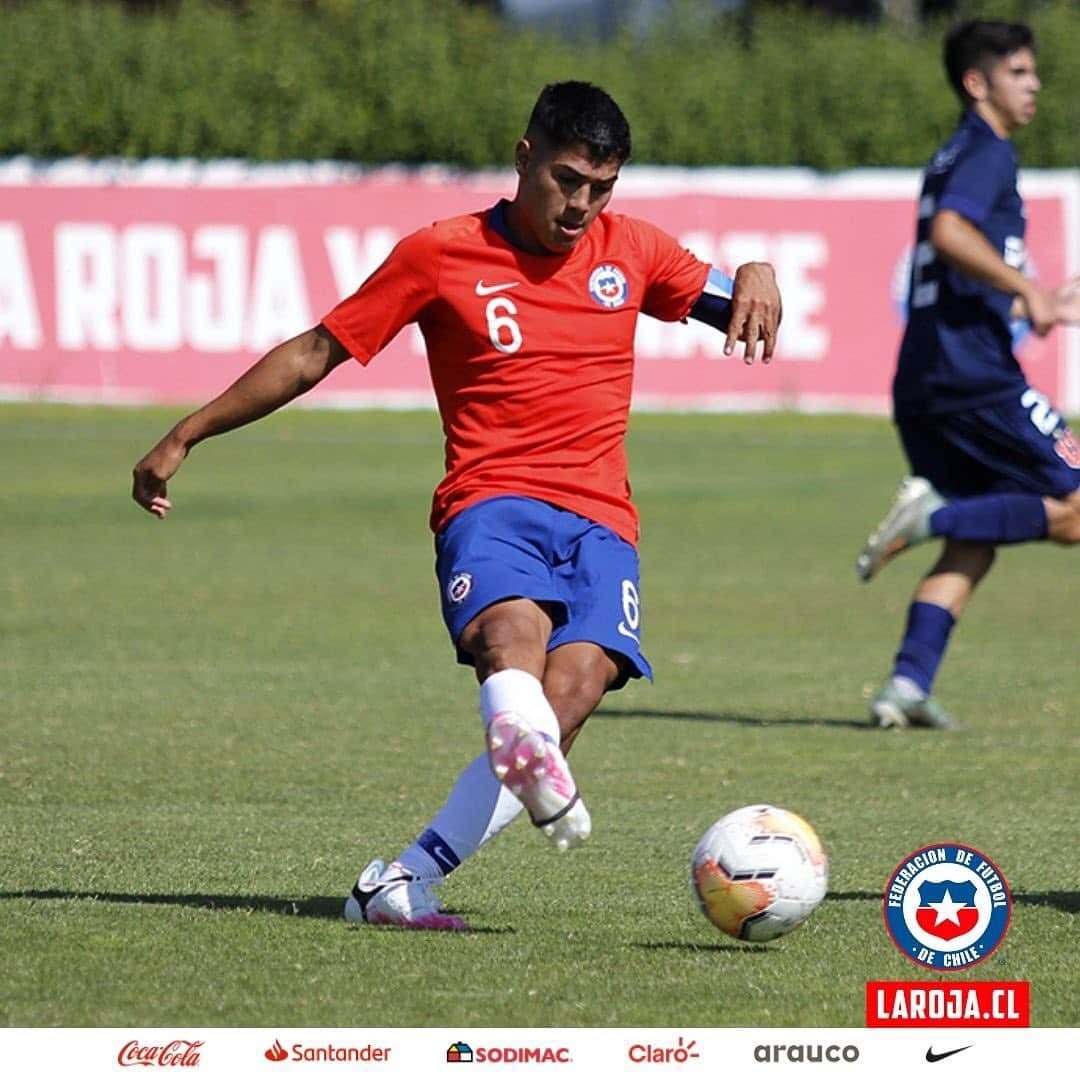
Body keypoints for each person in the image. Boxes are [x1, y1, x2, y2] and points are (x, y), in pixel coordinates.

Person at [132, 81, 782, 928]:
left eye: (601, 187)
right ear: (524, 159)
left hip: (603, 523)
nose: (581, 204)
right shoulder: (440, 254)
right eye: (566, 179)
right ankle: (520, 733)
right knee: (512, 640)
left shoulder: (638, 252)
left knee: (576, 688)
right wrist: (188, 433)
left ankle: (400, 881)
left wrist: (758, 271)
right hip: (492, 500)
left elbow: (734, 297)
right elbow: (316, 352)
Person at [856, 21, 1080, 731]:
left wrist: (1027, 298)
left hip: (927, 376)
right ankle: (931, 514)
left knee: (979, 538)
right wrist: (1027, 285)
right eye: (1018, 71)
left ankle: (906, 683)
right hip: (971, 376)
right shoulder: (987, 152)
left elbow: (955, 259)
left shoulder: (954, 152)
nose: (1034, 82)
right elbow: (951, 236)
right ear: (977, 83)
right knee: (1075, 508)